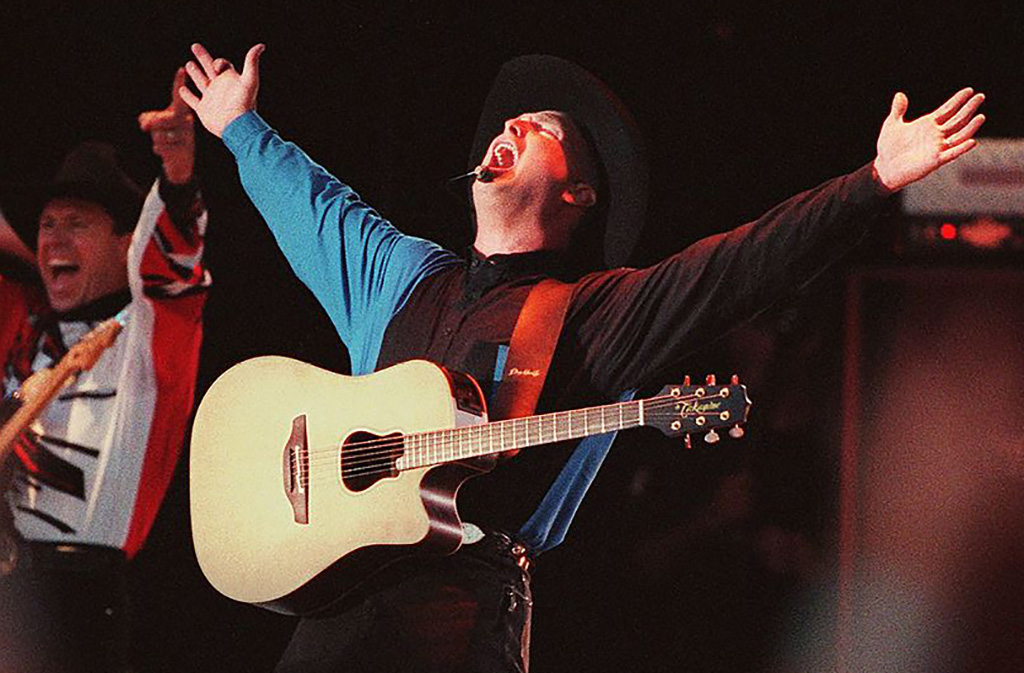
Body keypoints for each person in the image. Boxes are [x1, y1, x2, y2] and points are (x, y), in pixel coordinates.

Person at [180, 41, 984, 673]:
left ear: (581, 195)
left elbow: (741, 266)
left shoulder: (596, 311)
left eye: (543, 129)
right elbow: (314, 206)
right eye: (508, 122)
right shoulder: (403, 275)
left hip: (457, 613)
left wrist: (871, 181)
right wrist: (239, 127)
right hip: (332, 611)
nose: (511, 126)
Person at [0, 68, 210, 673]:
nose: (54, 239)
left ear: (125, 243)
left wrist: (176, 176)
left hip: (74, 600)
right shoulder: (26, 324)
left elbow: (174, 268)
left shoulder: (147, 335)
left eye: (77, 223)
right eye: (47, 223)